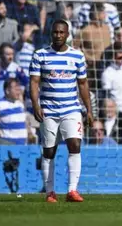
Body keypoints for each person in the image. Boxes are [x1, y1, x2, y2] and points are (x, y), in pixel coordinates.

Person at [29, 20, 93, 203]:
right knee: (49, 151)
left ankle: (72, 191)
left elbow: (82, 84)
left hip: (71, 109)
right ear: (51, 33)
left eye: (61, 32)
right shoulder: (40, 55)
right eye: (55, 32)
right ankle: (50, 192)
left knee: (75, 145)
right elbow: (33, 82)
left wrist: (89, 109)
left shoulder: (77, 56)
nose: (58, 35)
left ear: (67, 34)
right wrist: (35, 105)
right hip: (48, 110)